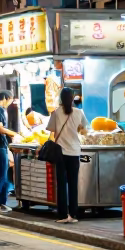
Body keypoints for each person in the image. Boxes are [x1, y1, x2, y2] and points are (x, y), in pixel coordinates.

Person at [47, 87, 90, 223]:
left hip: (61, 152)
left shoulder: (56, 113)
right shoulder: (79, 112)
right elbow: (85, 131)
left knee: (61, 184)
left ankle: (63, 215)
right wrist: (78, 129)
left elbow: (52, 133)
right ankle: (73, 215)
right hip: (75, 151)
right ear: (72, 98)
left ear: (60, 98)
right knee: (73, 184)